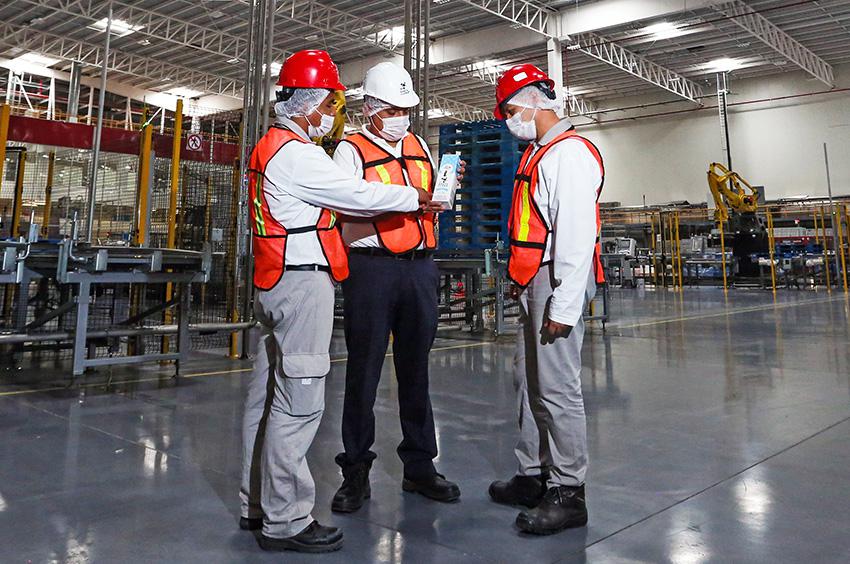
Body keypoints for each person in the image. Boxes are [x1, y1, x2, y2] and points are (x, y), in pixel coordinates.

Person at [239, 50, 441, 554]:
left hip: (274, 280)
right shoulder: (299, 153)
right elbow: (357, 195)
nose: (333, 111)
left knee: (264, 402)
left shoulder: (269, 146)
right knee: (299, 405)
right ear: (310, 105)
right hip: (302, 284)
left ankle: (256, 504)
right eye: (329, 101)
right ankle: (285, 521)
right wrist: (415, 198)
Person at [329, 61, 461, 513]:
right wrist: (413, 199)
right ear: (371, 108)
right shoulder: (349, 150)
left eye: (406, 108)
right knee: (363, 371)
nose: (402, 116)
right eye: (393, 108)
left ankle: (420, 467)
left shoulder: (420, 144)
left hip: (420, 267)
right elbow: (349, 198)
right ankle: (355, 472)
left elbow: (429, 196)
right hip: (371, 270)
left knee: (416, 369)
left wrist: (445, 192)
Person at [488, 64, 605, 535]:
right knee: (528, 381)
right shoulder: (540, 152)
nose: (509, 120)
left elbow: (576, 238)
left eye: (512, 111)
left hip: (558, 281)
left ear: (537, 104)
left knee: (557, 388)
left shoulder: (568, 155)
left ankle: (569, 491)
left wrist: (562, 306)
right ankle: (533, 475)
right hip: (535, 280)